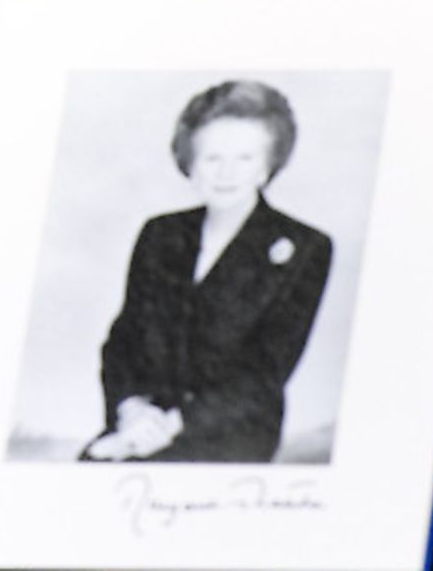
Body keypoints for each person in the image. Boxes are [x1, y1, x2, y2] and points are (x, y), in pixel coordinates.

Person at [83, 80, 332, 464]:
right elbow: (123, 339)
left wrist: (170, 426)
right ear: (191, 164)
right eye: (212, 158)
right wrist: (130, 409)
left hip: (229, 433)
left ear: (267, 166)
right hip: (142, 421)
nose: (226, 173)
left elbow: (264, 375)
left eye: (245, 158)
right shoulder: (160, 234)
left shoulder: (305, 247)